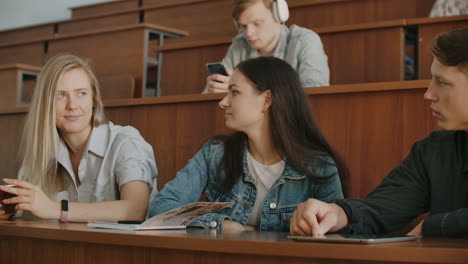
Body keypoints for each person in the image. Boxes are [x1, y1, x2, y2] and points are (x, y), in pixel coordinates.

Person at [290, 28, 468, 238]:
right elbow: (381, 207)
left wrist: (436, 226)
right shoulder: (434, 150)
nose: (428, 94)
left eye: (443, 82)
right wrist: (338, 214)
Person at [151, 56, 345, 231]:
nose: (223, 102)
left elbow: (337, 229)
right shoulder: (214, 152)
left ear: (266, 100)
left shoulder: (318, 165)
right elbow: (161, 207)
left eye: (234, 92)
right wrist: (219, 225)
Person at [0, 54, 157, 222]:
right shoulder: (42, 152)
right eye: (60, 95)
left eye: (81, 93)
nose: (72, 105)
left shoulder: (126, 142)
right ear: (46, 104)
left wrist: (55, 209)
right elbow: (24, 207)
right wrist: (7, 209)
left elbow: (134, 210)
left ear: (94, 100)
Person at [204, 0, 329, 93]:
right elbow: (207, 95)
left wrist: (246, 90)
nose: (248, 33)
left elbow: (315, 93)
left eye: (257, 23)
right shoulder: (239, 45)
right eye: (243, 26)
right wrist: (214, 90)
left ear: (279, 15)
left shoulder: (305, 40)